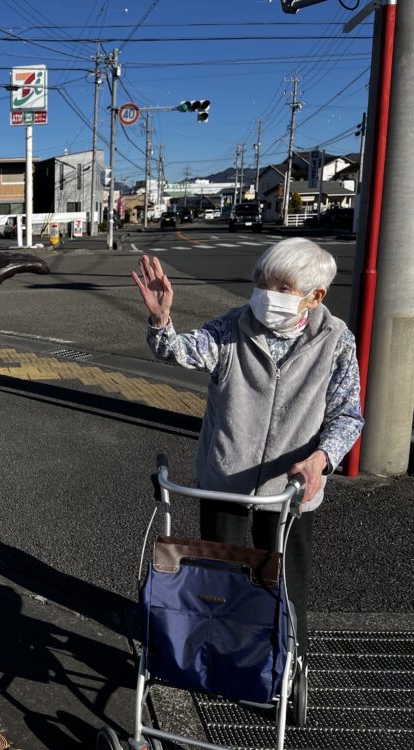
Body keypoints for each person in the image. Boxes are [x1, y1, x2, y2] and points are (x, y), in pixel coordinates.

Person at [131, 238, 364, 660]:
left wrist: (321, 459)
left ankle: (285, 664)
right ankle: (220, 659)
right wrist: (161, 320)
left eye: (281, 288)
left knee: (285, 585)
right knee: (221, 581)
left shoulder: (337, 342)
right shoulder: (234, 326)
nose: (265, 295)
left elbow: (348, 415)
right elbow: (183, 351)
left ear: (315, 297)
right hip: (225, 480)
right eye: (261, 283)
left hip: (291, 489)